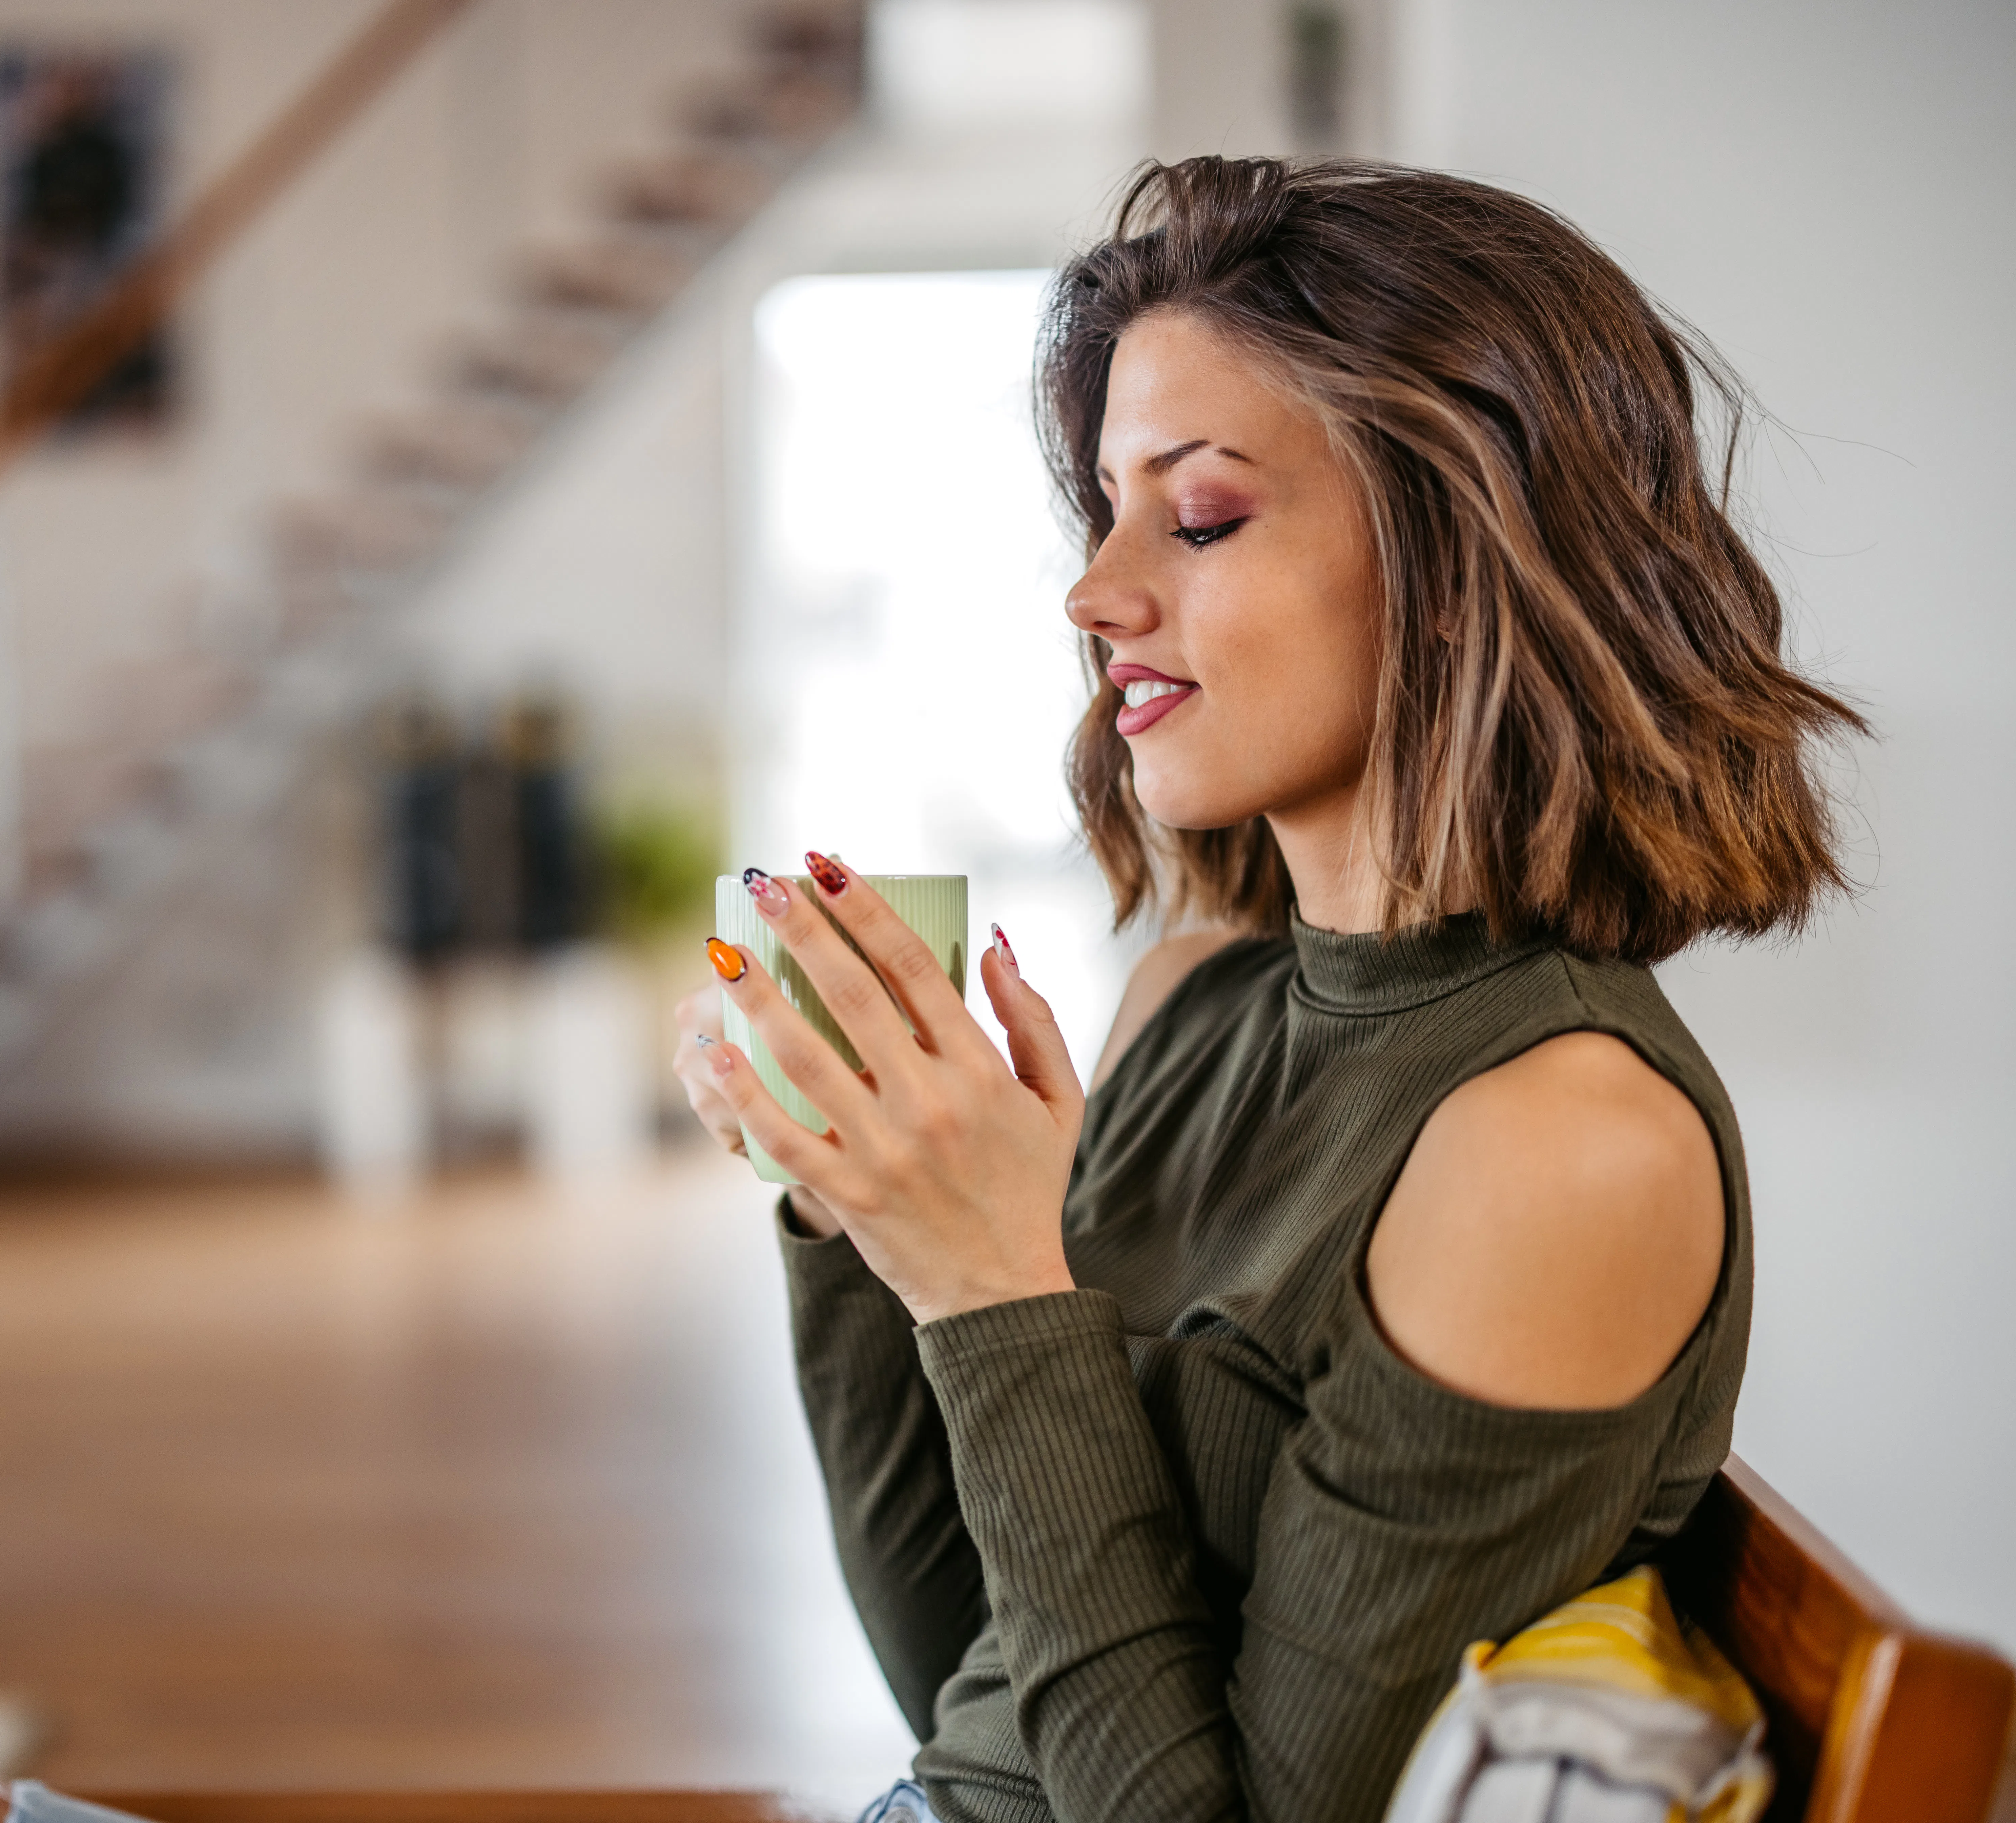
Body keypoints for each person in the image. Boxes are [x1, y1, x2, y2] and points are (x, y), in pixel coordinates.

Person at [672, 155, 1860, 1823]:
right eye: (1102, 510)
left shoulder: (1561, 1143)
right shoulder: (1189, 1000)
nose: (1095, 595)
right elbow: (971, 1674)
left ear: (1463, 544)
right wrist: (862, 1219)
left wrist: (996, 1290)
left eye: (1203, 513)